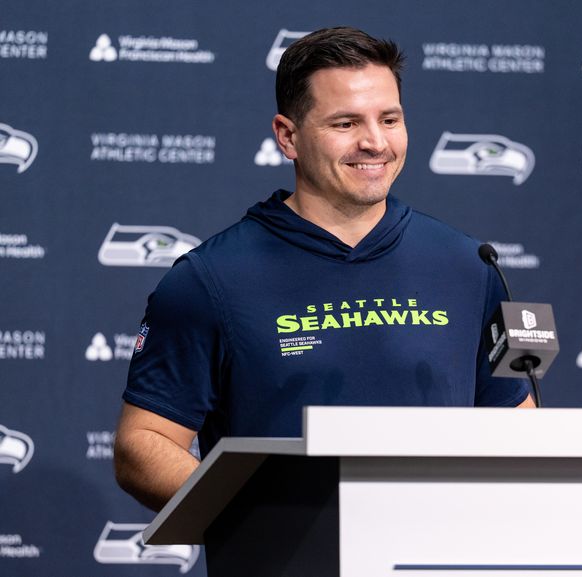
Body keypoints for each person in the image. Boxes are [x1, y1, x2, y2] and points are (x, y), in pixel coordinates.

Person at [114, 26, 533, 512]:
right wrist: (268, 513)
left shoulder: (469, 265)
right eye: (345, 124)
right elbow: (141, 446)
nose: (375, 142)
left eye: (390, 119)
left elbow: (518, 426)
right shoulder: (210, 279)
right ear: (287, 136)